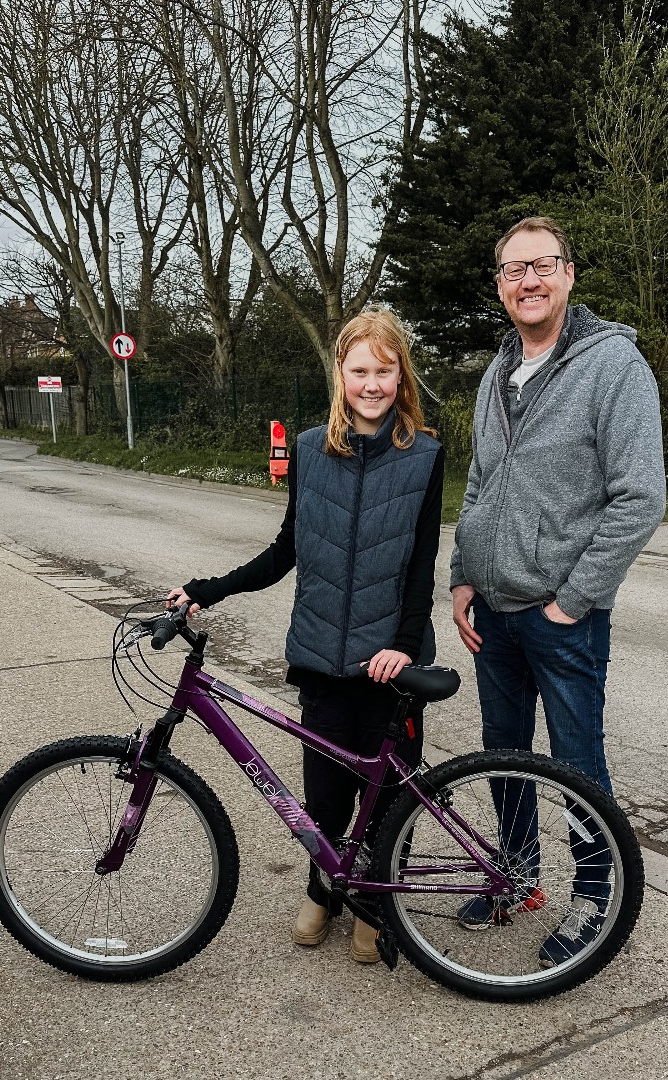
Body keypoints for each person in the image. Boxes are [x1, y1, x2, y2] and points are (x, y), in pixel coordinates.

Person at [168, 306, 444, 965]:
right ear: (339, 374)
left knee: (388, 798)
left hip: (390, 665)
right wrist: (208, 588)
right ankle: (324, 888)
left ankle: (375, 905)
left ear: (400, 374)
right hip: (321, 658)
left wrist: (402, 644)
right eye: (359, 370)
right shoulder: (311, 450)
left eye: (384, 370)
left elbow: (422, 563)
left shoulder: (425, 454)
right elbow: (285, 550)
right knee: (323, 798)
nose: (372, 383)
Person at [449, 216, 665, 966]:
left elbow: (640, 497)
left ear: (570, 274)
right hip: (495, 613)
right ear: (501, 286)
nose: (528, 282)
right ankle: (515, 878)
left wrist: (573, 600)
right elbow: (479, 484)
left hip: (562, 617)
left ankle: (596, 898)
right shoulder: (498, 368)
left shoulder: (613, 367)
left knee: (576, 765)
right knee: (502, 754)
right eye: (513, 271)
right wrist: (463, 576)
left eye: (542, 266)